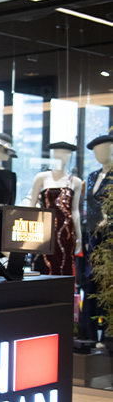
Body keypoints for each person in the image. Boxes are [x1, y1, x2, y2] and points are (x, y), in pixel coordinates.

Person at [28, 142, 81, 275]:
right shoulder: (41, 177)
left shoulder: (76, 182)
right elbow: (32, 206)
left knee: (64, 265)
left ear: (70, 156)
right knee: (43, 266)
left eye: (65, 153)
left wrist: (79, 238)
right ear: (52, 155)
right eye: (57, 153)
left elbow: (75, 211)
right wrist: (30, 232)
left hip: (66, 232)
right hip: (44, 230)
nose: (61, 156)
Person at [80, 132, 113, 341]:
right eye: (96, 151)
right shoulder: (92, 176)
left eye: (104, 149)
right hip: (93, 236)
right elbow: (89, 206)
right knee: (89, 280)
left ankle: (108, 335)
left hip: (110, 236)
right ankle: (88, 334)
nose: (100, 154)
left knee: (109, 282)